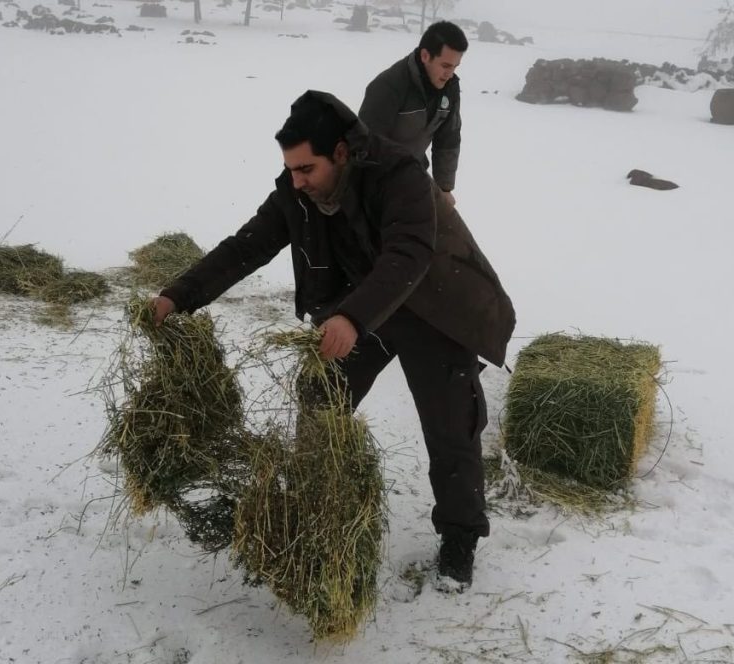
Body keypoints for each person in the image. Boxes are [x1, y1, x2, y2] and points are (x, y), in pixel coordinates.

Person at [151, 91, 515, 587]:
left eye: (306, 169)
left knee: (452, 425)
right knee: (319, 396)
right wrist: (179, 296)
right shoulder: (296, 193)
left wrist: (351, 318)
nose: (297, 182)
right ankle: (312, 505)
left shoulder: (398, 174)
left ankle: (459, 539)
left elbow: (408, 254)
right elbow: (245, 247)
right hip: (361, 309)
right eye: (291, 170)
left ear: (340, 153)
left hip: (435, 307)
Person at [359, 20, 468, 206]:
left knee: (447, 228)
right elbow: (366, 145)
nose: (450, 74)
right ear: (425, 55)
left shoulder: (450, 89)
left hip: (413, 172)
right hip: (375, 179)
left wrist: (444, 189)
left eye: (455, 67)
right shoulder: (389, 86)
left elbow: (447, 140)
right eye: (446, 66)